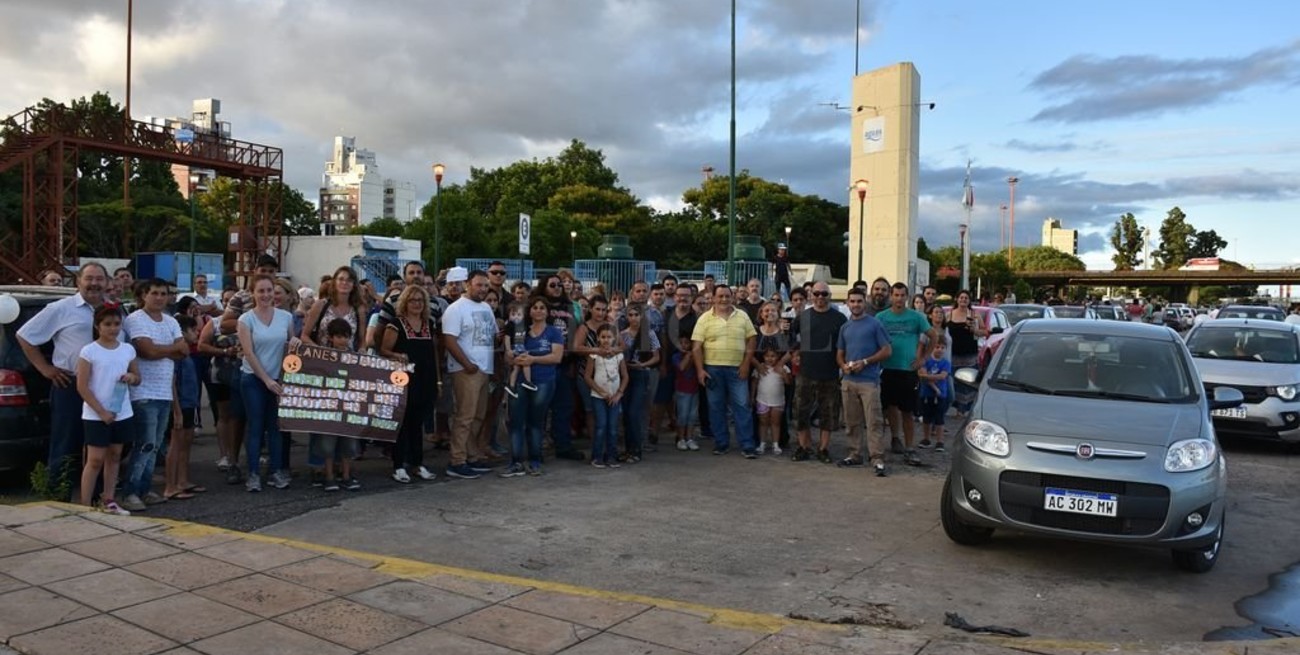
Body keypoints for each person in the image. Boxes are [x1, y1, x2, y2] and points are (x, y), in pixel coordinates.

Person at [17, 262, 113, 494]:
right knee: (66, 442)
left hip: (103, 387)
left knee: (99, 444)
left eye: (99, 279)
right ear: (78, 281)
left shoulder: (112, 311)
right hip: (70, 385)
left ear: (107, 283)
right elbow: (25, 336)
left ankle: (94, 496)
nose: (94, 284)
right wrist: (46, 369)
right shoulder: (60, 308)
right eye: (89, 278)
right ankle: (57, 496)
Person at [122, 278, 187, 511]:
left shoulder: (171, 321)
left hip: (164, 392)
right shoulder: (135, 320)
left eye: (164, 293)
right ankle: (130, 491)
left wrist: (160, 350)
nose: (160, 297)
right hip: (143, 392)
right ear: (143, 296)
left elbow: (185, 350)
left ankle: (144, 488)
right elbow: (146, 351)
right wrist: (170, 350)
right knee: (145, 444)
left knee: (156, 444)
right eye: (155, 293)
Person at [75, 306, 140, 515]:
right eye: (107, 324)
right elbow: (82, 386)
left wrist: (131, 378)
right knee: (95, 459)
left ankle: (109, 498)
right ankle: (85, 504)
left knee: (115, 455)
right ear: (97, 326)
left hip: (122, 411)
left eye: (116, 324)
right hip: (96, 413)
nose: (113, 329)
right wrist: (101, 411)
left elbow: (137, 377)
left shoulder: (127, 349)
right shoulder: (89, 351)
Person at [236, 274, 298, 492]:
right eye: (260, 291)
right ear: (253, 293)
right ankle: (253, 473)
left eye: (269, 290)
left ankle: (276, 471)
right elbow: (249, 353)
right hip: (253, 378)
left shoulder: (285, 317)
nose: (265, 295)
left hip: (278, 379)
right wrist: (266, 380)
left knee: (276, 427)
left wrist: (295, 343)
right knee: (256, 426)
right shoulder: (246, 319)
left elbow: (290, 346)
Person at [442, 269, 498, 479]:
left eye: (486, 286)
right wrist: (466, 364)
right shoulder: (455, 309)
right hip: (466, 370)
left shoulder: (485, 307)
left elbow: (493, 334)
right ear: (468, 284)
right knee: (464, 416)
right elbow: (449, 340)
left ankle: (471, 456)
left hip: (484, 369)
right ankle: (457, 460)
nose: (483, 289)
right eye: (479, 285)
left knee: (478, 415)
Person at [379, 286, 439, 484]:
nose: (417, 304)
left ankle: (417, 463)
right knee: (402, 424)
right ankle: (398, 466)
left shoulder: (429, 324)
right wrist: (398, 355)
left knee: (418, 424)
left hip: (425, 378)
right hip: (403, 380)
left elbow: (435, 353)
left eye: (420, 300)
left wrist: (437, 380)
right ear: (405, 302)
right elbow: (384, 350)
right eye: (412, 300)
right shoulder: (396, 324)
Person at [500, 298, 565, 477]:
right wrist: (512, 357)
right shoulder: (521, 330)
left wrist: (533, 359)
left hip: (543, 381)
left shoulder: (553, 332)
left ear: (547, 312)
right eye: (535, 308)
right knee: (516, 422)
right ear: (530, 312)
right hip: (520, 380)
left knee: (535, 423)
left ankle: (535, 460)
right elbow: (509, 355)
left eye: (542, 308)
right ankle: (515, 462)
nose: (538, 310)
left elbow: (556, 357)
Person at [692, 284, 758, 457]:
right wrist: (700, 370)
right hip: (712, 369)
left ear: (732, 297)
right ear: (713, 298)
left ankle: (747, 445)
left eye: (727, 296)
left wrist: (746, 364)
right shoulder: (704, 319)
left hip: (737, 369)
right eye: (720, 296)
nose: (724, 299)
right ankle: (721, 443)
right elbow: (696, 347)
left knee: (742, 406)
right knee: (716, 407)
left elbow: (751, 340)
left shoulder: (742, 316)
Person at [835, 286, 893, 475]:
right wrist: (843, 366)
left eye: (859, 301)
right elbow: (839, 354)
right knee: (851, 421)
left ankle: (877, 458)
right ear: (847, 303)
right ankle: (854, 454)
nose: (856, 304)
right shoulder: (845, 327)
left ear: (864, 302)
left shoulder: (874, 324)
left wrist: (866, 362)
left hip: (869, 381)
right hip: (849, 380)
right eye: (852, 301)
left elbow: (887, 350)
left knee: (874, 421)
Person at [789, 281, 846, 463]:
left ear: (829, 296)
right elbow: (791, 337)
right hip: (805, 372)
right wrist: (795, 352)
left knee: (828, 414)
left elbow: (845, 345)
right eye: (817, 293)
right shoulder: (802, 317)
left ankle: (823, 449)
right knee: (800, 412)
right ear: (811, 295)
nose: (820, 297)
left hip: (830, 373)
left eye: (824, 294)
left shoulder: (839, 319)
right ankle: (803, 447)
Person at [877, 282, 932, 466]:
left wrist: (924, 359)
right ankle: (895, 438)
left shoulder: (916, 317)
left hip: (908, 370)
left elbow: (934, 336)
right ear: (891, 296)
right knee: (890, 407)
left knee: (907, 411)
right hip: (888, 368)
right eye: (896, 295)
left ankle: (910, 447)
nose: (899, 299)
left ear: (907, 297)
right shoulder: (881, 317)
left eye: (902, 295)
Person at [163, 314, 204, 501]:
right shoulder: (177, 356)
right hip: (181, 404)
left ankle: (182, 480)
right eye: (193, 330)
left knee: (186, 443)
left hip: (190, 403)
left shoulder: (188, 353)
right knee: (176, 444)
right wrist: (176, 410)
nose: (197, 333)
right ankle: (170, 485)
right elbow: (171, 383)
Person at [317, 318, 361, 491]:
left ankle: (346, 475)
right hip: (329, 408)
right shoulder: (323, 357)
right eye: (339, 337)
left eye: (346, 337)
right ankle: (329, 476)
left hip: (349, 408)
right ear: (331, 337)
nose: (343, 340)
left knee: (349, 444)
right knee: (327, 444)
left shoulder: (355, 358)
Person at [620, 302, 660, 463]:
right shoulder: (622, 334)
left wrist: (642, 365)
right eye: (630, 315)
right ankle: (628, 449)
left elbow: (657, 357)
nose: (634, 318)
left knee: (635, 413)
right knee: (626, 415)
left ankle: (636, 450)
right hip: (625, 374)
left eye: (637, 315)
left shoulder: (649, 334)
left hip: (641, 374)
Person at [585, 323, 627, 468]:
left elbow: (625, 376)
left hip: (615, 397)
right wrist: (601, 392)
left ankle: (611, 456)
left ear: (614, 338)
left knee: (613, 427)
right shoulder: (594, 355)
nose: (606, 340)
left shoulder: (619, 356)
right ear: (598, 338)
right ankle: (597, 456)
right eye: (603, 337)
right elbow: (587, 376)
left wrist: (619, 394)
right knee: (601, 426)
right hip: (598, 397)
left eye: (609, 337)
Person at [944, 290, 985, 417]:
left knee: (967, 381)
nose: (963, 300)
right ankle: (956, 408)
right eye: (961, 298)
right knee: (954, 381)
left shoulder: (975, 315)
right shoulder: (949, 315)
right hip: (953, 353)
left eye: (966, 298)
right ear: (957, 299)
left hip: (969, 353)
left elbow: (984, 332)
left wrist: (975, 329)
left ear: (969, 300)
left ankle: (964, 409)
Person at [917, 337, 953, 453]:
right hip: (927, 394)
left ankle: (940, 441)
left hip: (941, 395)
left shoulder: (945, 363)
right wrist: (933, 384)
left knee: (939, 419)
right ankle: (926, 439)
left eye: (942, 348)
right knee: (926, 418)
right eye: (937, 347)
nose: (940, 350)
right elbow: (921, 374)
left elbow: (942, 376)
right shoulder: (925, 361)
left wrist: (928, 377)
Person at [753, 346, 790, 455]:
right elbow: (754, 383)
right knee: (763, 422)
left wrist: (783, 374)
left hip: (777, 401)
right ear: (763, 357)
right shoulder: (759, 368)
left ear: (778, 356)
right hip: (762, 400)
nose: (770, 358)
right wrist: (751, 397)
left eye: (773, 356)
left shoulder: (784, 368)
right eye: (767, 356)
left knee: (776, 422)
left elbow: (788, 382)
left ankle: (775, 444)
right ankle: (762, 443)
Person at [672, 328, 700, 451]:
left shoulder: (696, 355)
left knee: (692, 415)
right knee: (682, 415)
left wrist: (693, 356)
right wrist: (689, 356)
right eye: (681, 343)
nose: (684, 345)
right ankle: (681, 438)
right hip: (682, 390)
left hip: (694, 389)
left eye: (686, 343)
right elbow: (682, 367)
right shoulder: (676, 356)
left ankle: (690, 438)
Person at [502, 302, 537, 395]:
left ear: (523, 316)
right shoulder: (510, 325)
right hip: (515, 348)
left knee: (517, 367)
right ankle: (527, 381)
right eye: (513, 314)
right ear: (509, 315)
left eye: (519, 314)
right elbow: (507, 338)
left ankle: (511, 386)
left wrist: (535, 337)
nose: (516, 317)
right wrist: (508, 349)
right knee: (526, 363)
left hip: (521, 347)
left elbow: (532, 334)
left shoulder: (524, 325)